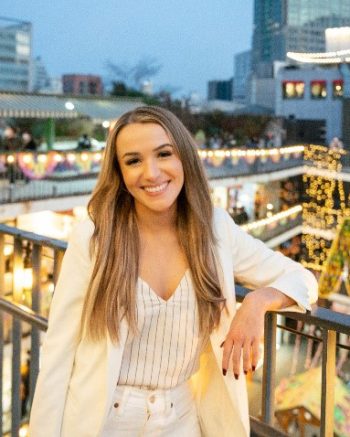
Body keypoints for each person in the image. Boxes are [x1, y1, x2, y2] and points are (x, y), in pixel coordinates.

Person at [29, 106, 318, 437]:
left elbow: (303, 280)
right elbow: (58, 354)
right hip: (103, 422)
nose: (151, 173)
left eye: (164, 154)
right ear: (120, 173)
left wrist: (258, 302)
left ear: (184, 158)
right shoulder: (95, 238)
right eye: (133, 161)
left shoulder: (215, 230)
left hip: (181, 421)